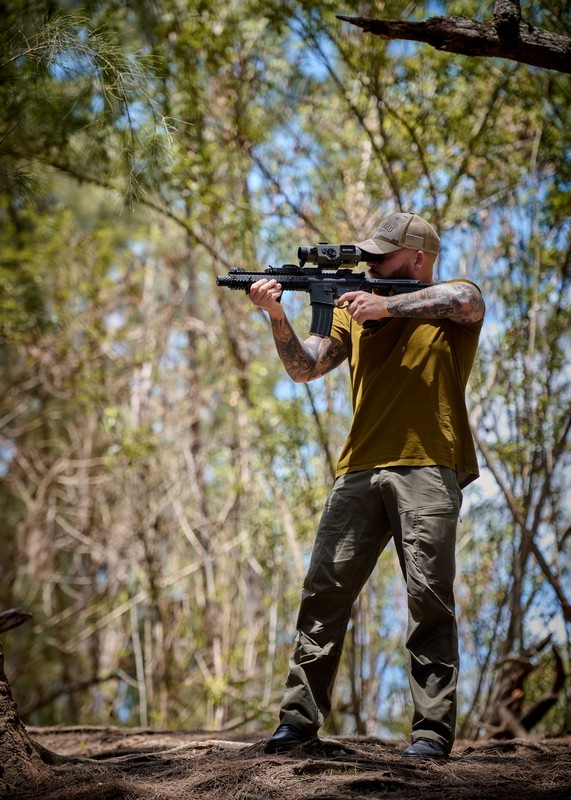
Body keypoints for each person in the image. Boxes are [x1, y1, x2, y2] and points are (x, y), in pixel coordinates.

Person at [248, 211, 485, 759]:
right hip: (358, 469)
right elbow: (304, 368)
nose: (371, 264)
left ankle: (431, 733)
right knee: (323, 592)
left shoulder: (451, 303)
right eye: (369, 255)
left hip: (428, 466)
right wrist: (276, 315)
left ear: (418, 259)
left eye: (383, 255)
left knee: (429, 600)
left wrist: (387, 306)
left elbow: (466, 300)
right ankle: (297, 723)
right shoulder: (351, 311)